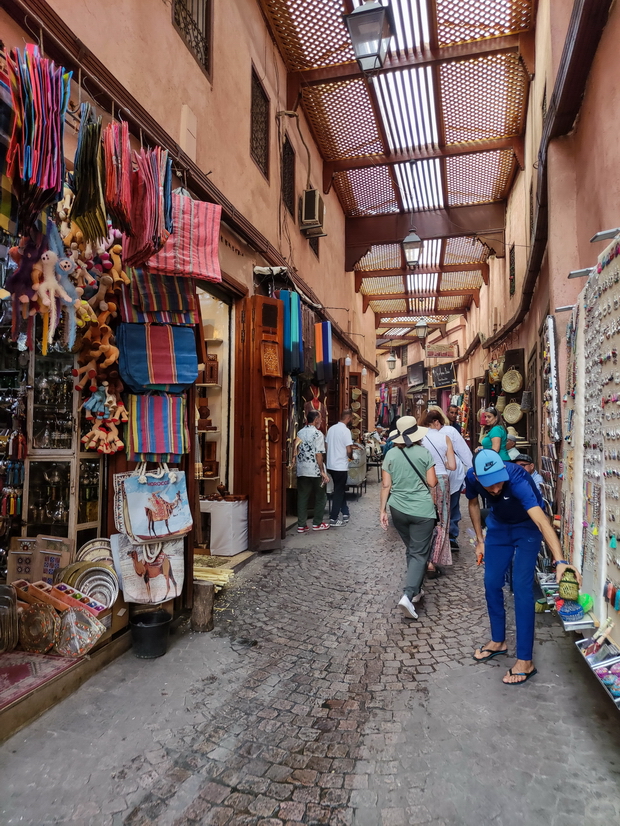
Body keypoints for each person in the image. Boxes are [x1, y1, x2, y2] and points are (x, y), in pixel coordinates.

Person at [466, 449, 581, 685]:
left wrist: (560, 561)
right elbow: (473, 504)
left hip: (527, 528)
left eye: (499, 483)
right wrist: (480, 541)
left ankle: (526, 661)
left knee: (521, 588)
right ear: (477, 478)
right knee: (491, 583)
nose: (496, 490)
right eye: (490, 486)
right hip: (498, 527)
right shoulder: (471, 477)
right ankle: (498, 641)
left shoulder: (517, 479)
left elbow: (541, 520)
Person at [379, 416, 438, 620]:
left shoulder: (391, 454)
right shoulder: (424, 452)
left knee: (412, 550)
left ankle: (417, 589)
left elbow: (386, 485)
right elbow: (432, 482)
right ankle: (408, 594)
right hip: (421, 511)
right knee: (419, 553)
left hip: (398, 509)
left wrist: (382, 511)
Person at [426, 406, 473, 551]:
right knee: (452, 506)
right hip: (451, 475)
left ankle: (433, 536)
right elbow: (463, 452)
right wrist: (472, 470)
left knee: (432, 506)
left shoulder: (423, 433)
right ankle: (451, 537)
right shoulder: (450, 431)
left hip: (431, 475)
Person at [420, 409, 457, 577]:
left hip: (424, 481)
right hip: (441, 479)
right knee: (441, 521)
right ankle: (432, 562)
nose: (441, 426)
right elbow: (453, 465)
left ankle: (422, 558)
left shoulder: (419, 438)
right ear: (436, 422)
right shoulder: (445, 438)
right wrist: (442, 464)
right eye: (440, 423)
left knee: (424, 519)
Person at [294, 411, 330, 533]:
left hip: (302, 469)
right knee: (321, 496)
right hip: (314, 470)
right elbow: (318, 454)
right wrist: (322, 471)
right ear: (315, 419)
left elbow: (296, 450)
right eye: (320, 419)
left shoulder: (300, 432)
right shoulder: (317, 434)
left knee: (302, 497)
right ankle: (317, 523)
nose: (321, 421)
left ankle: (301, 525)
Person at [326, 409, 361, 527]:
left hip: (331, 465)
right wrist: (351, 456)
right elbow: (349, 449)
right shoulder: (345, 431)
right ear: (348, 418)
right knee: (338, 491)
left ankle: (345, 512)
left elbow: (326, 446)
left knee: (339, 489)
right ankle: (334, 518)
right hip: (340, 465)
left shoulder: (331, 429)